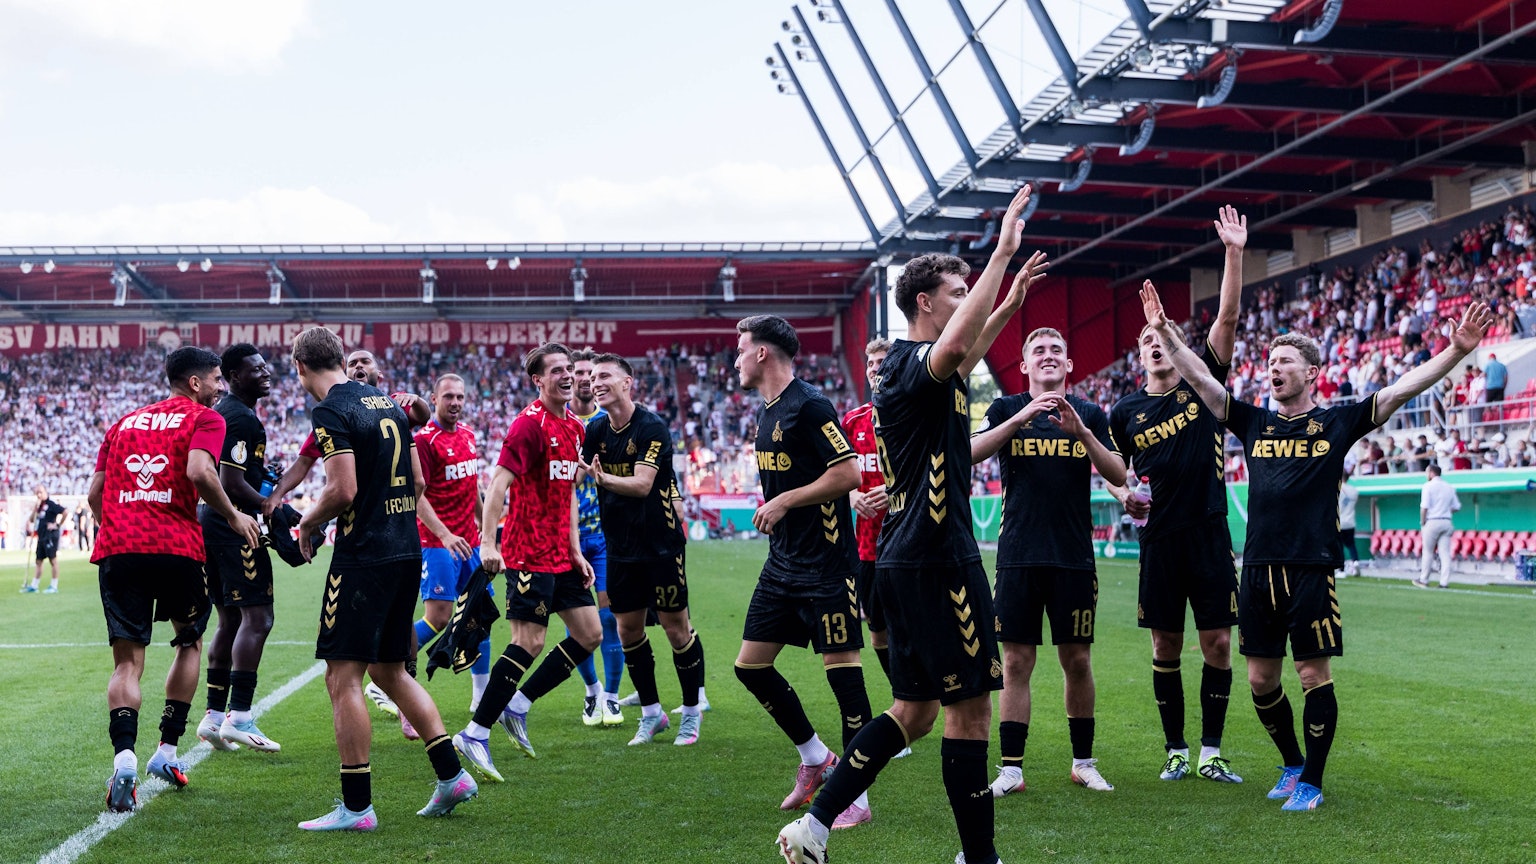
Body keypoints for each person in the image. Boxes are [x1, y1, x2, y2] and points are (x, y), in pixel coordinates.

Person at [1141, 280, 1492, 811]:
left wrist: (1455, 352)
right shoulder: (1253, 421)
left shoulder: (1336, 421)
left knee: (1311, 674)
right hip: (1257, 568)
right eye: (1270, 361)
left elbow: (1400, 389)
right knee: (1261, 681)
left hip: (1311, 568)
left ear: (1312, 372)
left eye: (1284, 361)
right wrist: (1166, 331)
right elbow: (1203, 379)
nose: (1273, 368)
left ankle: (1313, 782)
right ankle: (1291, 762)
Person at [778, 183, 1043, 864]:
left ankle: (815, 825)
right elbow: (956, 351)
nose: (965, 301)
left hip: (906, 556)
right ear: (926, 303)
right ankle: (979, 858)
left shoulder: (921, 373)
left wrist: (1006, 302)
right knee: (969, 712)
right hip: (937, 559)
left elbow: (964, 352)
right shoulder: (909, 363)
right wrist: (1002, 253)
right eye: (957, 292)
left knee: (914, 713)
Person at [290, 326, 476, 830]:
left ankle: (356, 807)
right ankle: (450, 775)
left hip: (364, 557)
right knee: (390, 672)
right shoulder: (384, 401)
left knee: (341, 677)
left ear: (301, 367)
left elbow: (343, 488)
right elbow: (417, 481)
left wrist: (307, 522)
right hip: (404, 550)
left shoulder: (331, 410)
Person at [1106, 205, 1246, 785]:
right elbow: (1116, 472)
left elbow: (1230, 319)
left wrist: (1233, 254)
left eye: (1161, 337)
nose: (1155, 345)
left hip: (1209, 530)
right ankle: (1176, 749)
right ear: (1140, 355)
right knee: (1165, 644)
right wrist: (1121, 496)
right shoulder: (1124, 412)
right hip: (1159, 538)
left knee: (1216, 642)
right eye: (1146, 339)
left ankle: (1212, 749)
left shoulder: (1203, 386)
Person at [87, 347, 261, 810]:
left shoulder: (123, 423)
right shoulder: (206, 419)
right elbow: (200, 471)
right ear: (195, 383)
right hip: (176, 548)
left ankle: (124, 758)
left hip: (120, 548)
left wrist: (118, 530)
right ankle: (165, 751)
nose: (222, 387)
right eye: (217, 379)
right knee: (188, 642)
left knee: (127, 663)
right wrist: (234, 516)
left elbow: (95, 494)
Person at [972, 325, 1127, 796]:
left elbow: (1118, 472)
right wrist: (1019, 419)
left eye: (1056, 349)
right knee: (1016, 662)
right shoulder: (1003, 408)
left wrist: (1080, 431)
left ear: (1069, 364)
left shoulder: (1090, 413)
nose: (1047, 356)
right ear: (1024, 366)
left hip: (1074, 557)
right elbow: (969, 453)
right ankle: (1012, 770)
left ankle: (1083, 762)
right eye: (1038, 350)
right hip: (1017, 555)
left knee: (1077, 659)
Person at [730, 315, 872, 827]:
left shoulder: (809, 405)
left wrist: (786, 500)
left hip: (828, 565)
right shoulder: (766, 413)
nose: (737, 358)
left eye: (742, 349)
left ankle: (855, 796)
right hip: (783, 564)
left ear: (763, 353)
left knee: (844, 677)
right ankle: (816, 758)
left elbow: (849, 472)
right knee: (750, 667)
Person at [450, 343, 600, 778]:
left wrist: (574, 549)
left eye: (569, 369)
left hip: (560, 551)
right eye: (556, 371)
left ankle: (518, 703)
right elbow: (497, 486)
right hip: (527, 551)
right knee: (529, 642)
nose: (567, 376)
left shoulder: (574, 426)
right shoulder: (527, 426)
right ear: (538, 380)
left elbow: (568, 491)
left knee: (588, 633)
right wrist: (488, 543)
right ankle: (475, 732)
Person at [579, 354, 707, 747]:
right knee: (628, 629)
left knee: (676, 629)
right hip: (618, 549)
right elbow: (579, 474)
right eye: (593, 377)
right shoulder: (596, 429)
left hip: (660, 547)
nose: (595, 383)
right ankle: (652, 714)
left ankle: (690, 713)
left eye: (604, 376)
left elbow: (642, 485)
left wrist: (601, 478)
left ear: (627, 382)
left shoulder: (652, 427)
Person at [195, 344, 283, 755]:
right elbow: (230, 482)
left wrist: (265, 485)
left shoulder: (228, 415)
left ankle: (214, 719)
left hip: (210, 522)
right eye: (255, 370)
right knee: (258, 617)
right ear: (232, 375)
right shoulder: (242, 418)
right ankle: (241, 716)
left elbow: (234, 475)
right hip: (231, 524)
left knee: (229, 619)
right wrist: (270, 504)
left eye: (266, 367)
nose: (265, 374)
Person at [406, 373, 491, 721]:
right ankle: (388, 671)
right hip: (436, 542)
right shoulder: (425, 441)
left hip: (468, 543)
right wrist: (443, 535)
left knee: (480, 613)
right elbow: (417, 495)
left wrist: (487, 533)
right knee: (439, 618)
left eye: (460, 397)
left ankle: (481, 697)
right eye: (448, 397)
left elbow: (472, 490)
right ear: (434, 399)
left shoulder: (469, 435)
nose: (455, 403)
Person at [841, 337, 909, 760]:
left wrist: (893, 489)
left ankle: (911, 711)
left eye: (883, 362)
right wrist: (852, 497)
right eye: (870, 362)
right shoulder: (852, 420)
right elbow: (835, 474)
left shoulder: (911, 417)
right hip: (865, 549)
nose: (875, 368)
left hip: (907, 542)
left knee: (909, 628)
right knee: (878, 630)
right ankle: (900, 713)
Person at [568, 347, 627, 727]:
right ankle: (591, 692)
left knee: (610, 619)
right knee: (580, 624)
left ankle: (612, 696)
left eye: (593, 373)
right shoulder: (559, 421)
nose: (587, 379)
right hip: (567, 536)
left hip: (606, 536)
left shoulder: (611, 421)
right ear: (569, 377)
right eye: (579, 373)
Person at [1414, 464, 1461, 589]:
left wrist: (1422, 522)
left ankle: (1424, 579)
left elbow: (1424, 507)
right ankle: (1444, 582)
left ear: (1431, 473)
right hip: (1446, 521)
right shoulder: (1449, 487)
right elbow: (1457, 507)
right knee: (1445, 553)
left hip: (1432, 520)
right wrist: (1445, 511)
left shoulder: (1428, 486)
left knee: (1428, 551)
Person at [22, 486, 65, 593]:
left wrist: (57, 525)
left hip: (50, 536)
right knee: (38, 561)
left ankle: (54, 586)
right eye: (37, 493)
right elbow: (32, 519)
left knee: (52, 560)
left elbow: (65, 511)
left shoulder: (51, 504)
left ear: (45, 492)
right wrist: (34, 509)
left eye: (40, 492)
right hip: (41, 536)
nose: (39, 495)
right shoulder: (39, 506)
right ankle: (34, 585)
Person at [1337, 477, 1360, 578]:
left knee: (1339, 546)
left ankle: (1341, 570)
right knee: (1351, 545)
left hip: (1340, 521)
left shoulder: (1339, 489)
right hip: (1350, 521)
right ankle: (1356, 563)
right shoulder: (1354, 490)